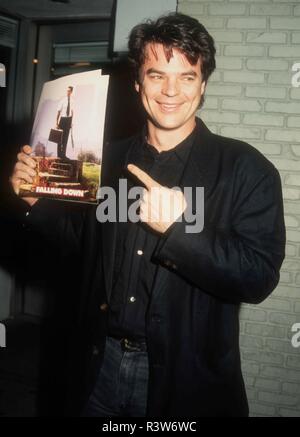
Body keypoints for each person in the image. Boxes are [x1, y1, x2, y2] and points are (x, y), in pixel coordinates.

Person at [10, 13, 285, 417]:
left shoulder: (246, 168)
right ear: (138, 82)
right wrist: (37, 201)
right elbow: (81, 246)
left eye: (186, 77)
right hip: (97, 365)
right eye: (156, 75)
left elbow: (258, 278)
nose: (170, 90)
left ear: (203, 83)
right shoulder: (104, 159)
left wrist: (177, 232)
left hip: (184, 377)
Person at [56, 86, 74, 159]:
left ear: (71, 92)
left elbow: (72, 112)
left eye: (69, 91)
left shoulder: (73, 101)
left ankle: (63, 154)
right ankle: (59, 154)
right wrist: (56, 122)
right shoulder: (62, 100)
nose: (68, 92)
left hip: (68, 120)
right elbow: (58, 112)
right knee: (60, 137)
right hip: (62, 119)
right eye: (67, 91)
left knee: (66, 138)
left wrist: (71, 122)